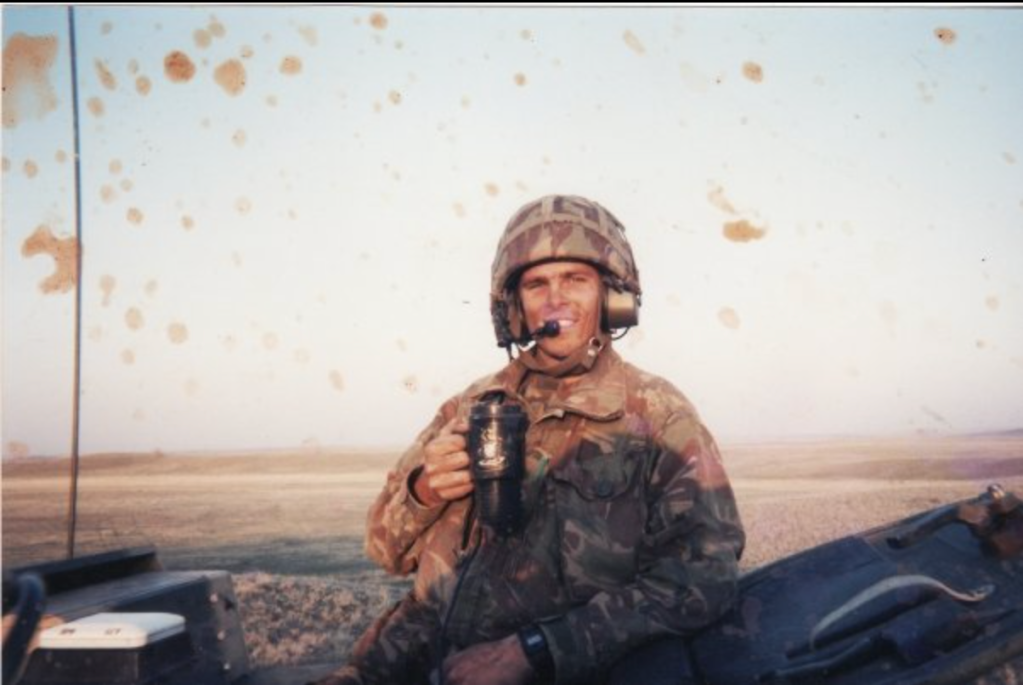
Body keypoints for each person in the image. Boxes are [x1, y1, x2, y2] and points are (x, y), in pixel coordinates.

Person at [317, 195, 745, 685]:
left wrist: (541, 649)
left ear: (612, 297)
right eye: (537, 284)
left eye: (575, 280)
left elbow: (705, 576)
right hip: (404, 664)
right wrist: (425, 490)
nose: (555, 300)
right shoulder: (470, 407)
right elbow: (384, 551)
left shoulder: (657, 415)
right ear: (514, 308)